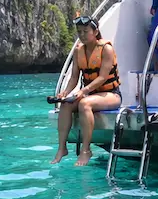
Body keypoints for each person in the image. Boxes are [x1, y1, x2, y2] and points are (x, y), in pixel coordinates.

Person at [51, 15, 122, 166]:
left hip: (112, 95)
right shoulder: (79, 51)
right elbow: (74, 77)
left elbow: (102, 77)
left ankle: (86, 150)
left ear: (95, 32)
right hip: (90, 94)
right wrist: (65, 93)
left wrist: (83, 91)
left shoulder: (106, 49)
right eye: (79, 32)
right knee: (65, 104)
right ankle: (62, 147)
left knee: (84, 104)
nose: (82, 35)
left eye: (85, 31)